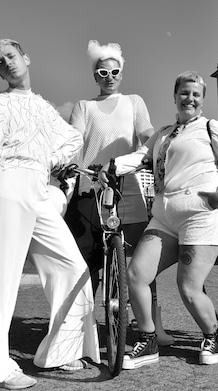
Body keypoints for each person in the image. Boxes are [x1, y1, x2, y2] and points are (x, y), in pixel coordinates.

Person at [0, 39, 99, 390]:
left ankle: (60, 352)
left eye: (11, 56)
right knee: (2, 279)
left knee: (72, 266)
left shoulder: (44, 108)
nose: (7, 63)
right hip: (6, 183)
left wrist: (50, 160)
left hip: (37, 187)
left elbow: (72, 140)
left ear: (25, 58)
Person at [100, 71, 218, 370]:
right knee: (136, 275)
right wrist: (111, 165)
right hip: (165, 214)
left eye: (196, 94)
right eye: (184, 93)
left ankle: (211, 335)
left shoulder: (211, 128)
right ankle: (148, 340)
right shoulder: (163, 133)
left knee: (188, 287)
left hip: (201, 213)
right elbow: (141, 156)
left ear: (202, 99)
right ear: (175, 95)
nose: (189, 98)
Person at [65, 40, 173, 345]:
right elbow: (74, 144)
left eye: (115, 71)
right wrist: (71, 169)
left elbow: (147, 135)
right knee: (89, 263)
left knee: (143, 261)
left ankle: (150, 326)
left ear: (121, 74)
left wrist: (165, 145)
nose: (109, 76)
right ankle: (81, 330)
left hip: (127, 187)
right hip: (90, 189)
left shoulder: (134, 102)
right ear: (95, 76)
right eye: (102, 72)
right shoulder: (83, 107)